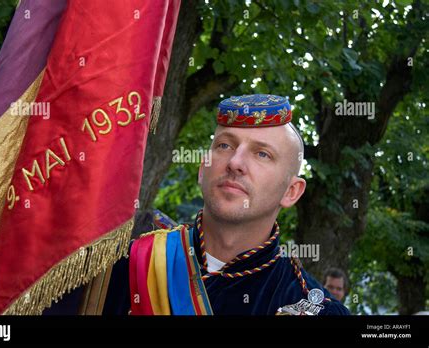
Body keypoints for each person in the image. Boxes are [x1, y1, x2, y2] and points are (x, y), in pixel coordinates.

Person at [46, 94, 350, 315]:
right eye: (225, 145)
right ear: (203, 169)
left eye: (262, 154)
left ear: (292, 192)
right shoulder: (118, 260)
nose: (235, 163)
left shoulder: (314, 308)